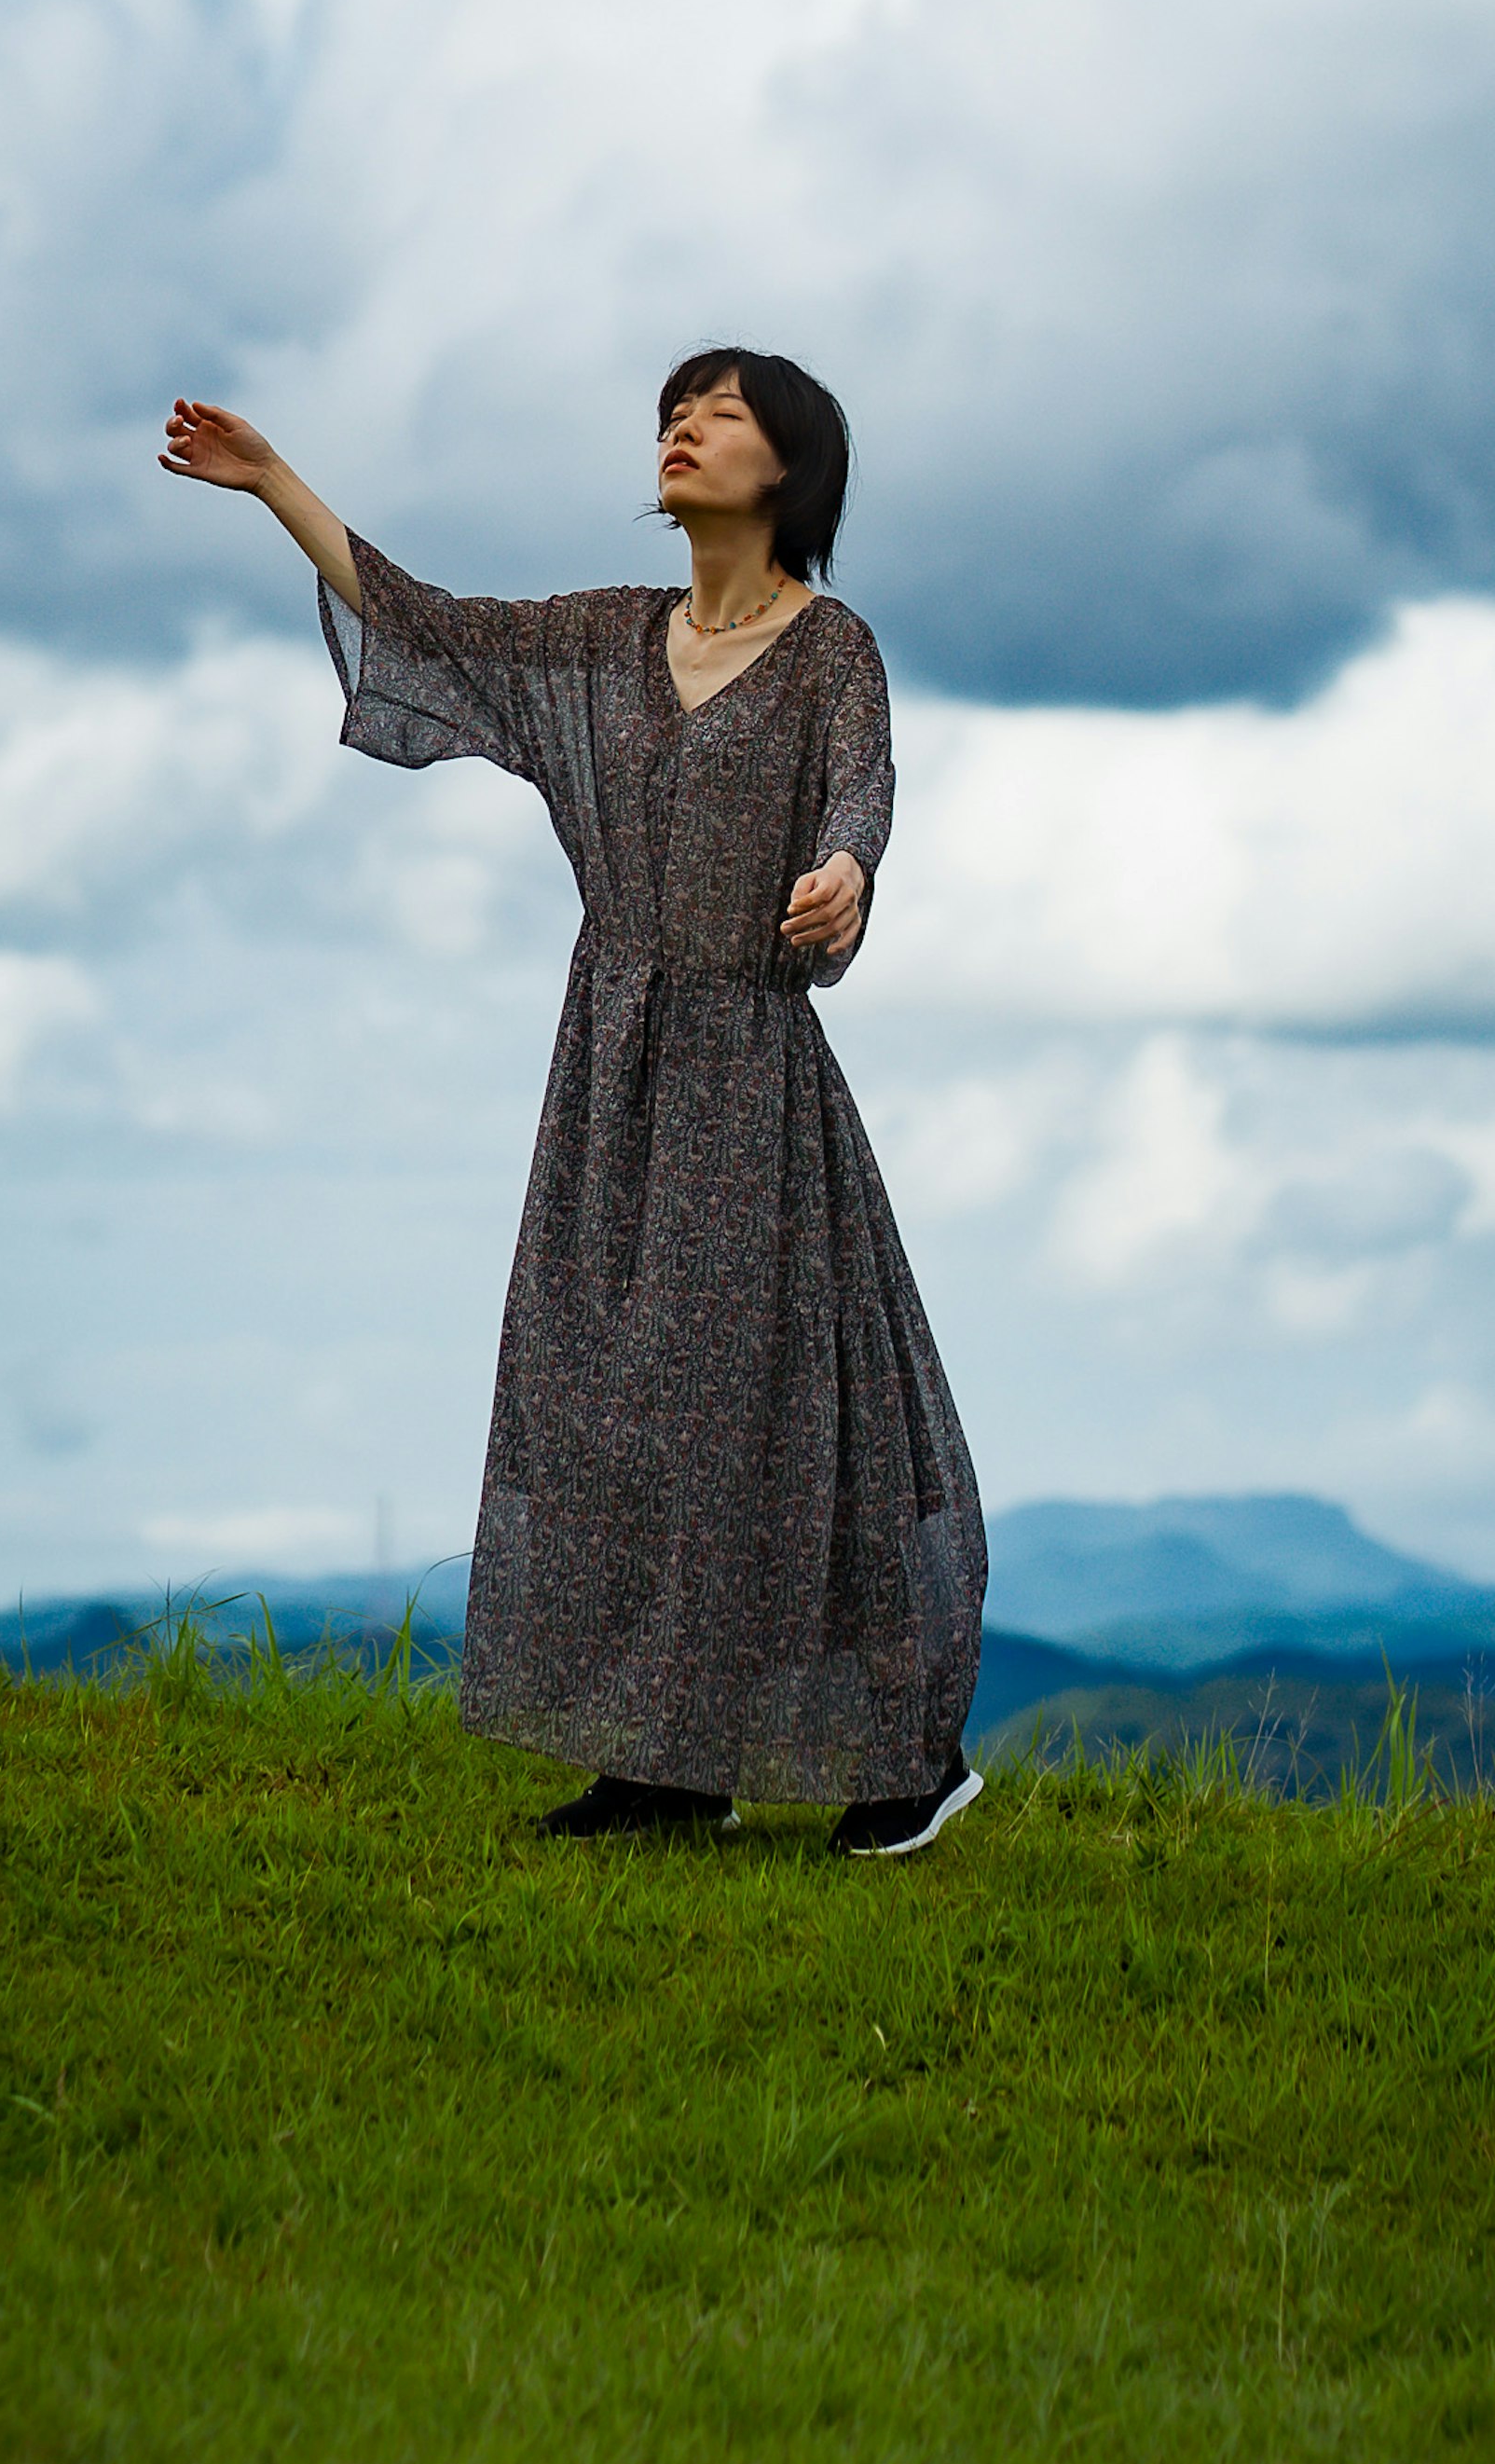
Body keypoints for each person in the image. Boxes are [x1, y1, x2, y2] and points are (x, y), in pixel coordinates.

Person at [157, 348, 988, 1855]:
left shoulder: (831, 650)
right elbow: (427, 622)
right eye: (675, 408)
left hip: (750, 1076)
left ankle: (903, 1761)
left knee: (776, 1423)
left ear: (789, 469)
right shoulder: (608, 641)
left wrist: (848, 878)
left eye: (721, 412)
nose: (681, 427)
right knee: (603, 1406)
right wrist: (274, 483)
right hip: (608, 1065)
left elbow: (863, 793)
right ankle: (662, 1766)